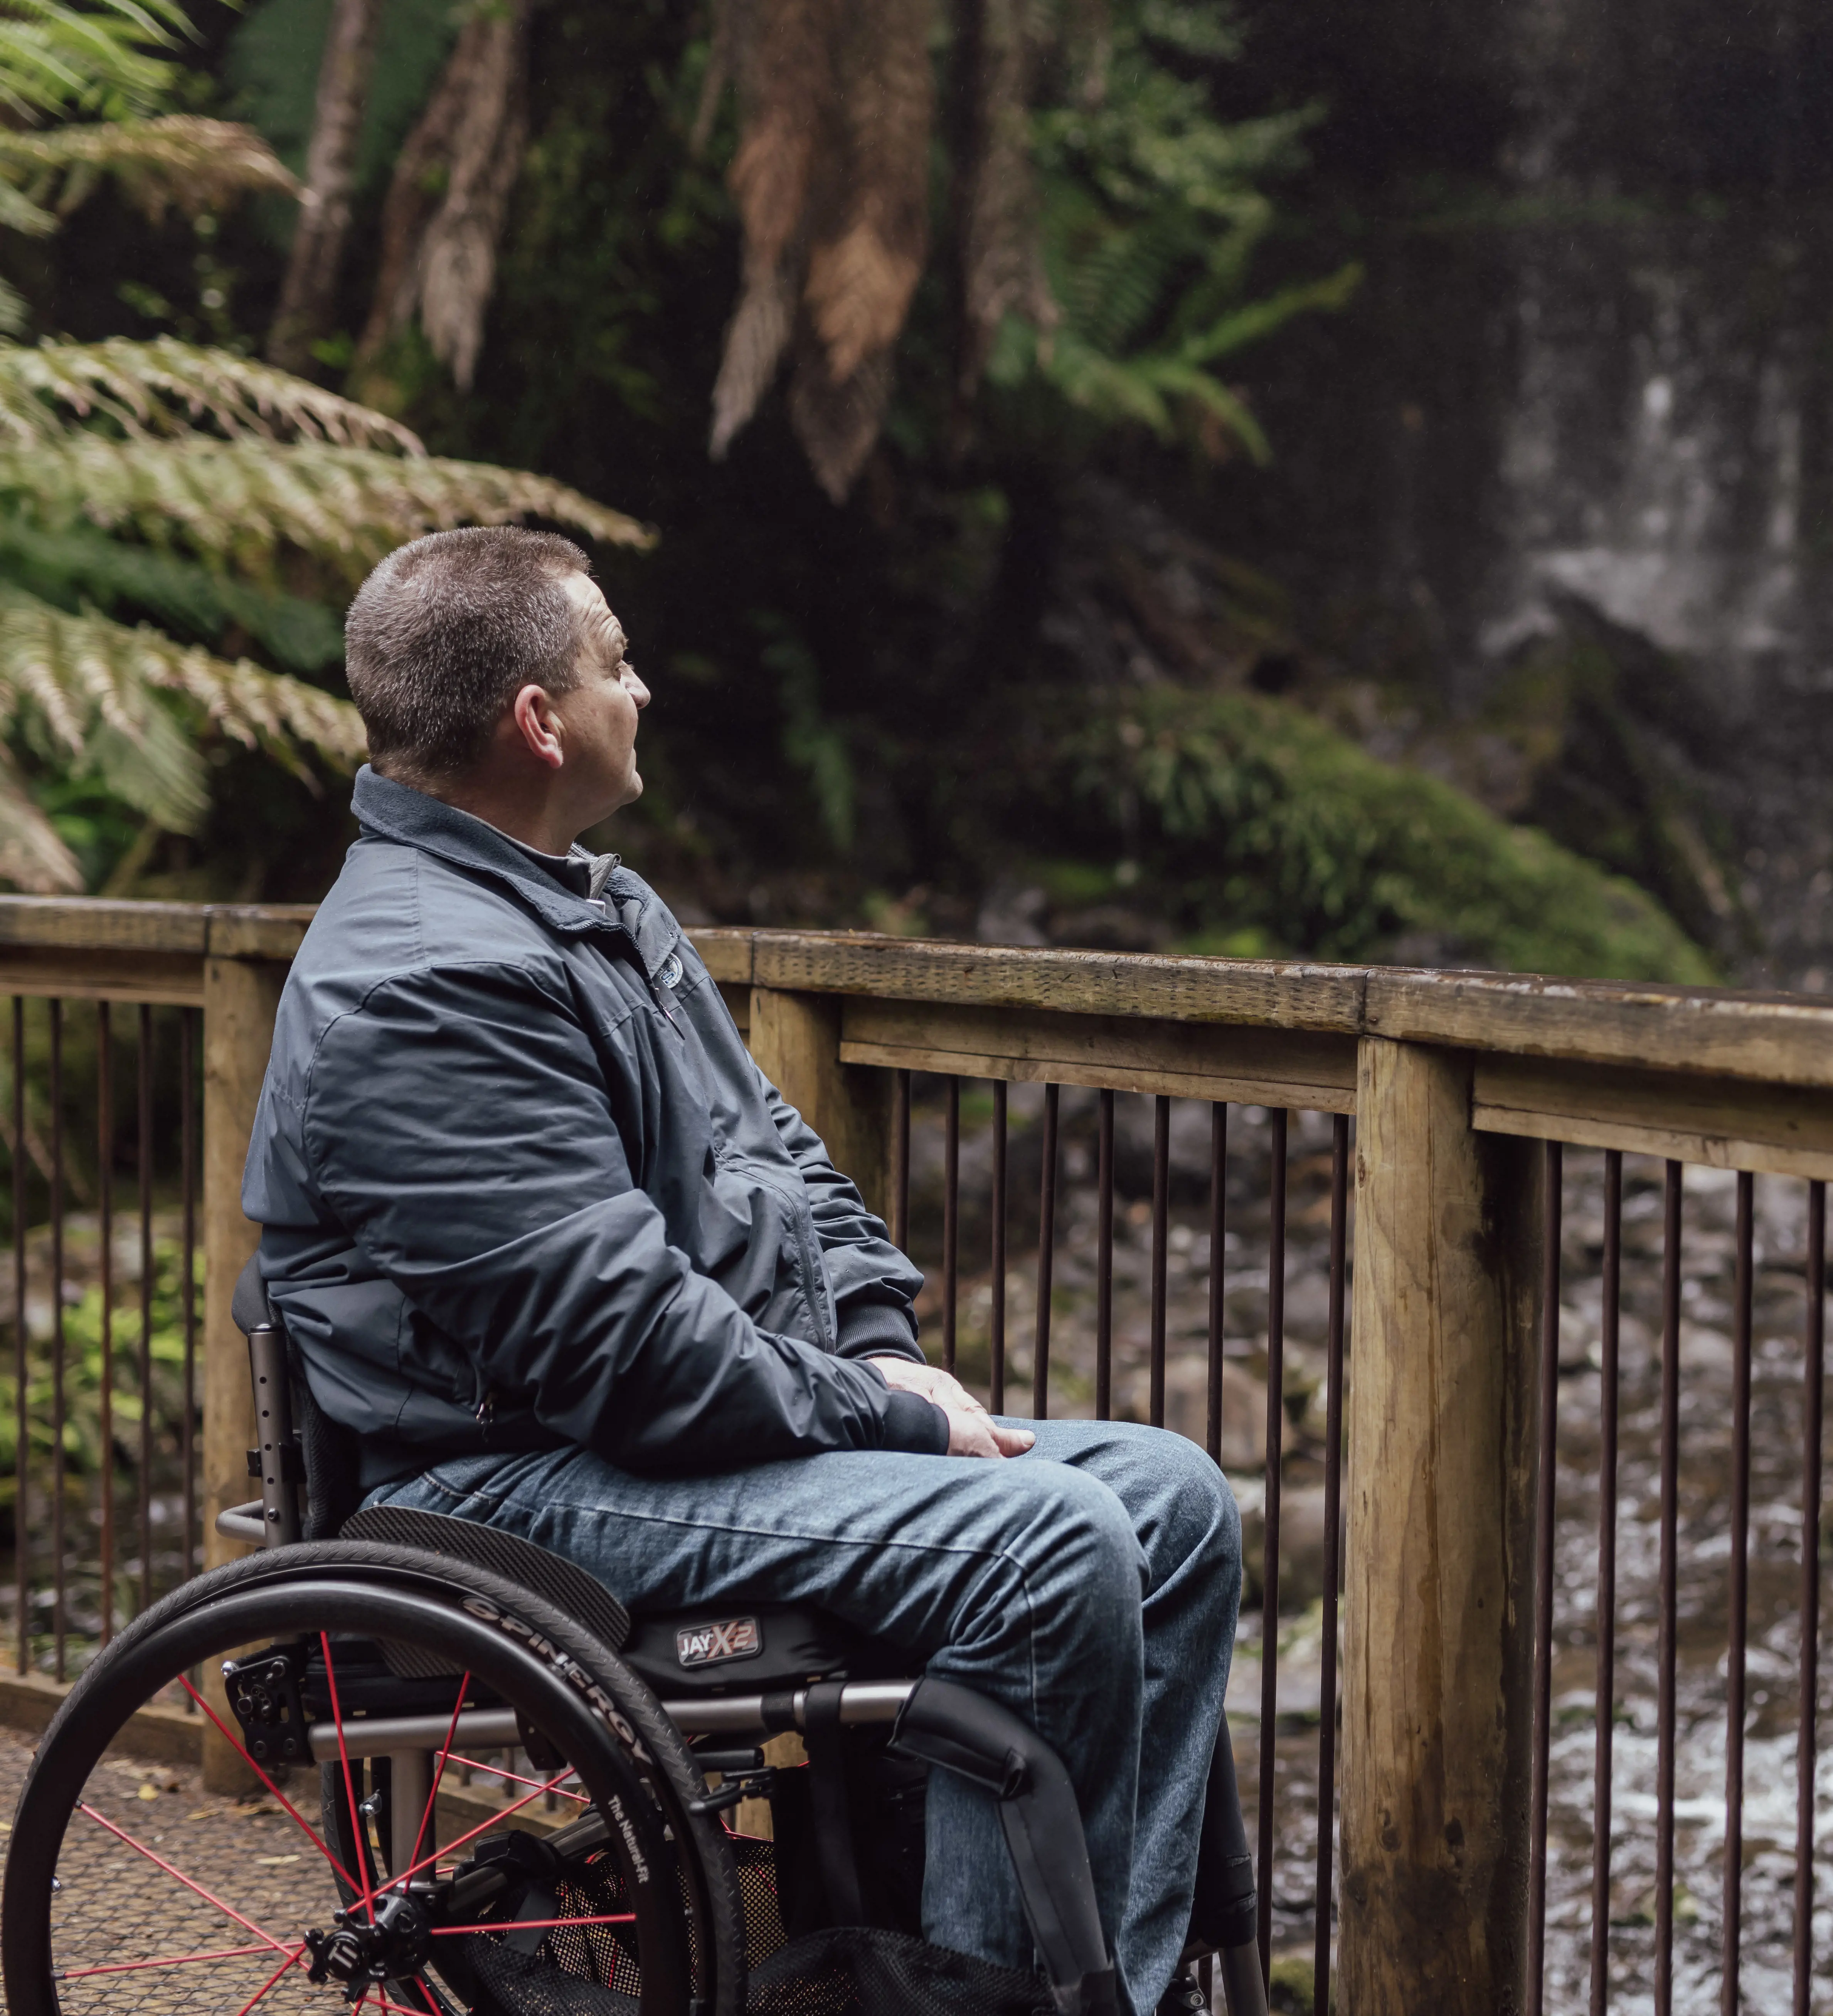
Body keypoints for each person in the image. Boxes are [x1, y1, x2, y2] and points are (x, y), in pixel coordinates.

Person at [241, 526, 1239, 2014]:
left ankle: (1091, 1992)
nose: (641, 689)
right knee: (1048, 1543)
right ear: (539, 719)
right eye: (617, 664)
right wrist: (889, 1419)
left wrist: (883, 1338)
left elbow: (781, 1161)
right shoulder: (423, 982)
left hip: (652, 1434)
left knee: (1173, 1499)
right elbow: (621, 1351)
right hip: (506, 1479)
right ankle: (960, 1996)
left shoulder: (593, 905)